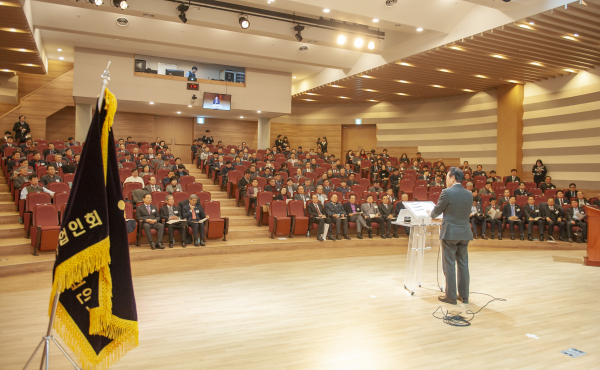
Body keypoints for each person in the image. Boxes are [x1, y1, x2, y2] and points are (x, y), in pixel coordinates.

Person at [428, 167, 473, 305]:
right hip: (464, 232)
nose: (446, 180)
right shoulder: (469, 194)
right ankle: (464, 296)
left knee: (449, 265)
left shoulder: (446, 192)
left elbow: (436, 213)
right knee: (463, 264)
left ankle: (451, 297)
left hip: (450, 233)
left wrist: (430, 212)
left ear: (453, 178)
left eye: (447, 177)